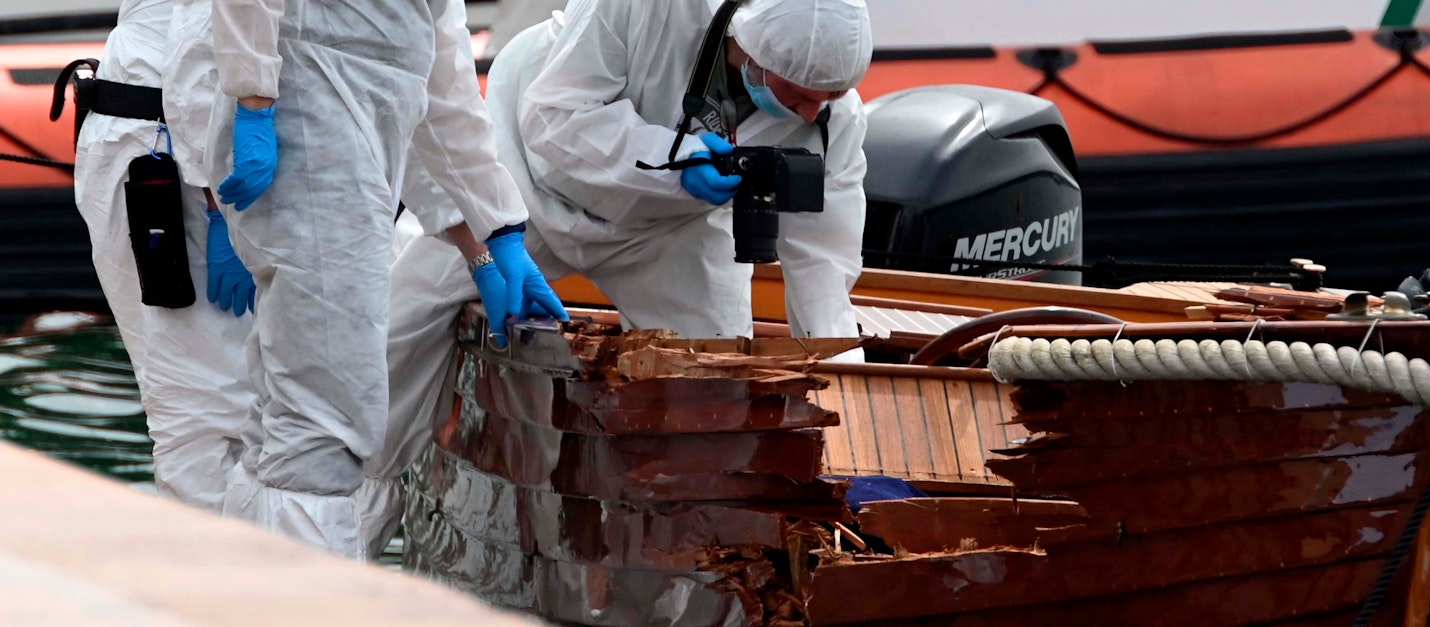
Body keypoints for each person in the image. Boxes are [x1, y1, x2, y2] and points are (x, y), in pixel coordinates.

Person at [364, 0, 872, 553]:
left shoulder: (830, 120)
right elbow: (554, 118)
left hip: (667, 229)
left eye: (827, 99)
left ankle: (695, 562)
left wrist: (851, 428)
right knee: (399, 325)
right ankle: (337, 534)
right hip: (520, 186)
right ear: (749, 43)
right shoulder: (644, 6)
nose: (804, 113)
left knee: (714, 395)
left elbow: (825, 269)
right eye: (796, 93)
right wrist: (674, 160)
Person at [204, 0, 567, 558]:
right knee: (325, 421)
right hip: (311, 137)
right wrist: (254, 97)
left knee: (296, 412)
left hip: (351, 162)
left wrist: (497, 234)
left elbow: (442, 79)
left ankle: (250, 594)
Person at [69, 0, 254, 512]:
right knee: (210, 404)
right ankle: (220, 577)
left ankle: (217, 573)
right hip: (173, 150)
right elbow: (200, 48)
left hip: (151, 135)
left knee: (198, 400)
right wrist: (219, 203)